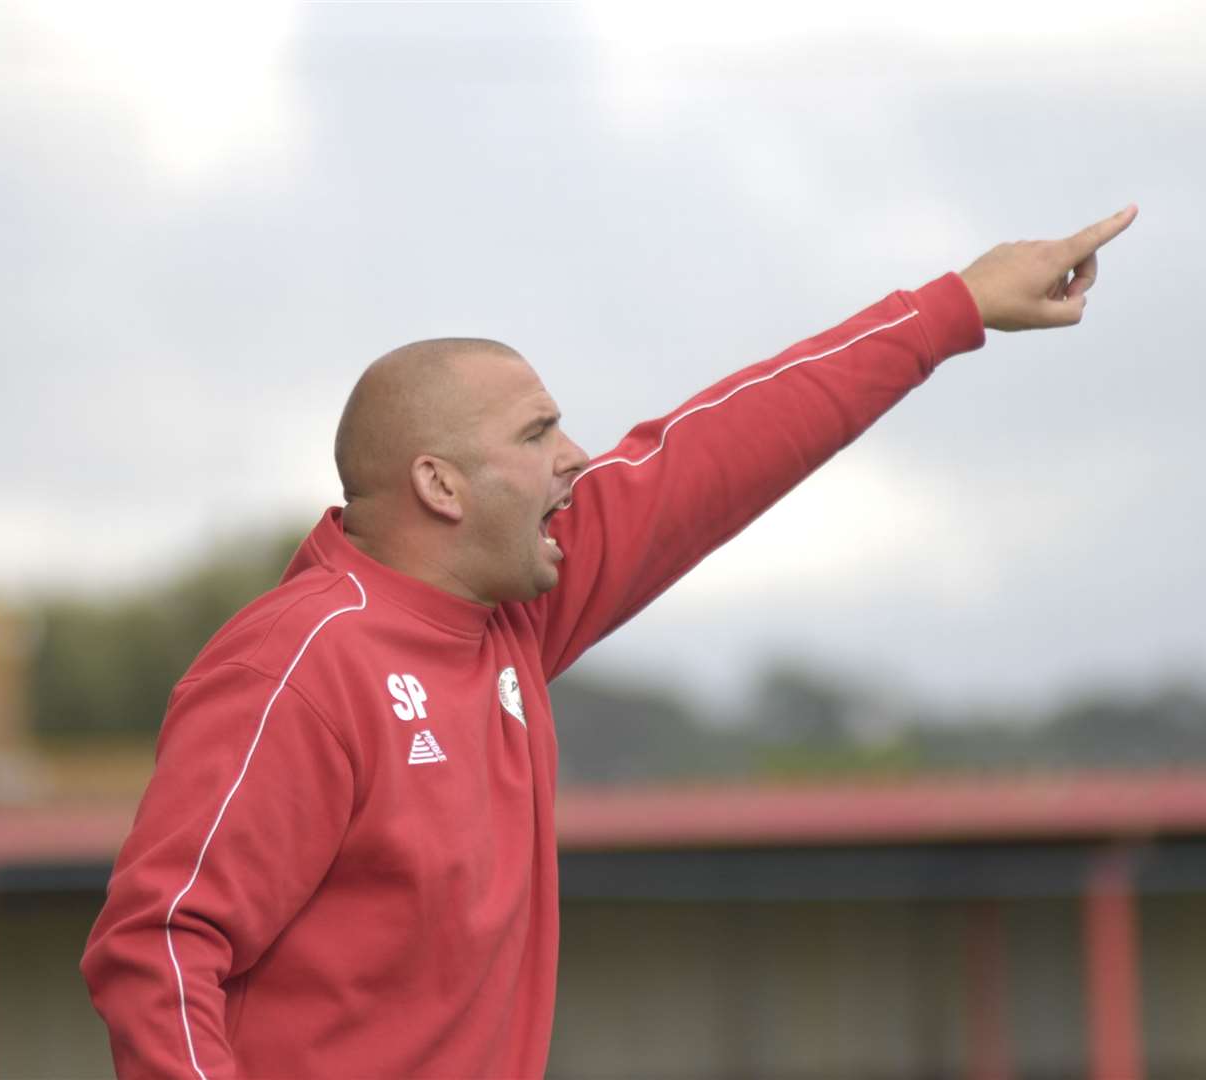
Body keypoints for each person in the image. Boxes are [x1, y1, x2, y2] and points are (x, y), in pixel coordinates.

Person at [82, 207, 1138, 1079]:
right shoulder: (301, 665)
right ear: (440, 486)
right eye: (538, 434)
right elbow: (159, 944)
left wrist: (951, 308)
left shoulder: (514, 610)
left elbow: (710, 452)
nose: (576, 458)